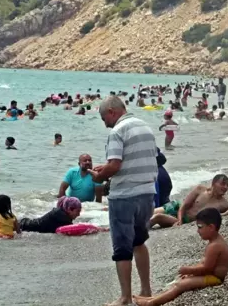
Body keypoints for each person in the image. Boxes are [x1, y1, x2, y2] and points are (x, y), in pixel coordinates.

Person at [91, 96, 158, 306]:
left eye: (104, 118)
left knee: (122, 247)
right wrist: (108, 166)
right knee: (139, 241)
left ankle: (125, 297)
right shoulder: (144, 126)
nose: (105, 124)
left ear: (112, 111)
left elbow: (116, 165)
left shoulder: (117, 131)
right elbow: (134, 158)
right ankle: (146, 289)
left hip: (125, 195)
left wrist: (99, 176)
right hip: (147, 192)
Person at [133, 208, 228, 306]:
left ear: (211, 227)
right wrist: (192, 274)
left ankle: (151, 303)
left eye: (200, 227)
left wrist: (189, 270)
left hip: (215, 279)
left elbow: (207, 268)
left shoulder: (215, 246)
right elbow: (206, 265)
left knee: (180, 285)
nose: (198, 231)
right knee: (180, 281)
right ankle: (151, 298)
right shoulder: (214, 241)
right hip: (210, 274)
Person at [150, 174, 228, 228]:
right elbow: (184, 205)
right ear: (213, 183)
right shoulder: (200, 189)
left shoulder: (224, 204)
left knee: (157, 217)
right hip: (177, 207)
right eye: (223, 184)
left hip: (186, 219)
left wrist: (180, 222)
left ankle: (139, 233)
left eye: (227, 185)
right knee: (148, 213)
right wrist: (180, 219)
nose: (225, 187)